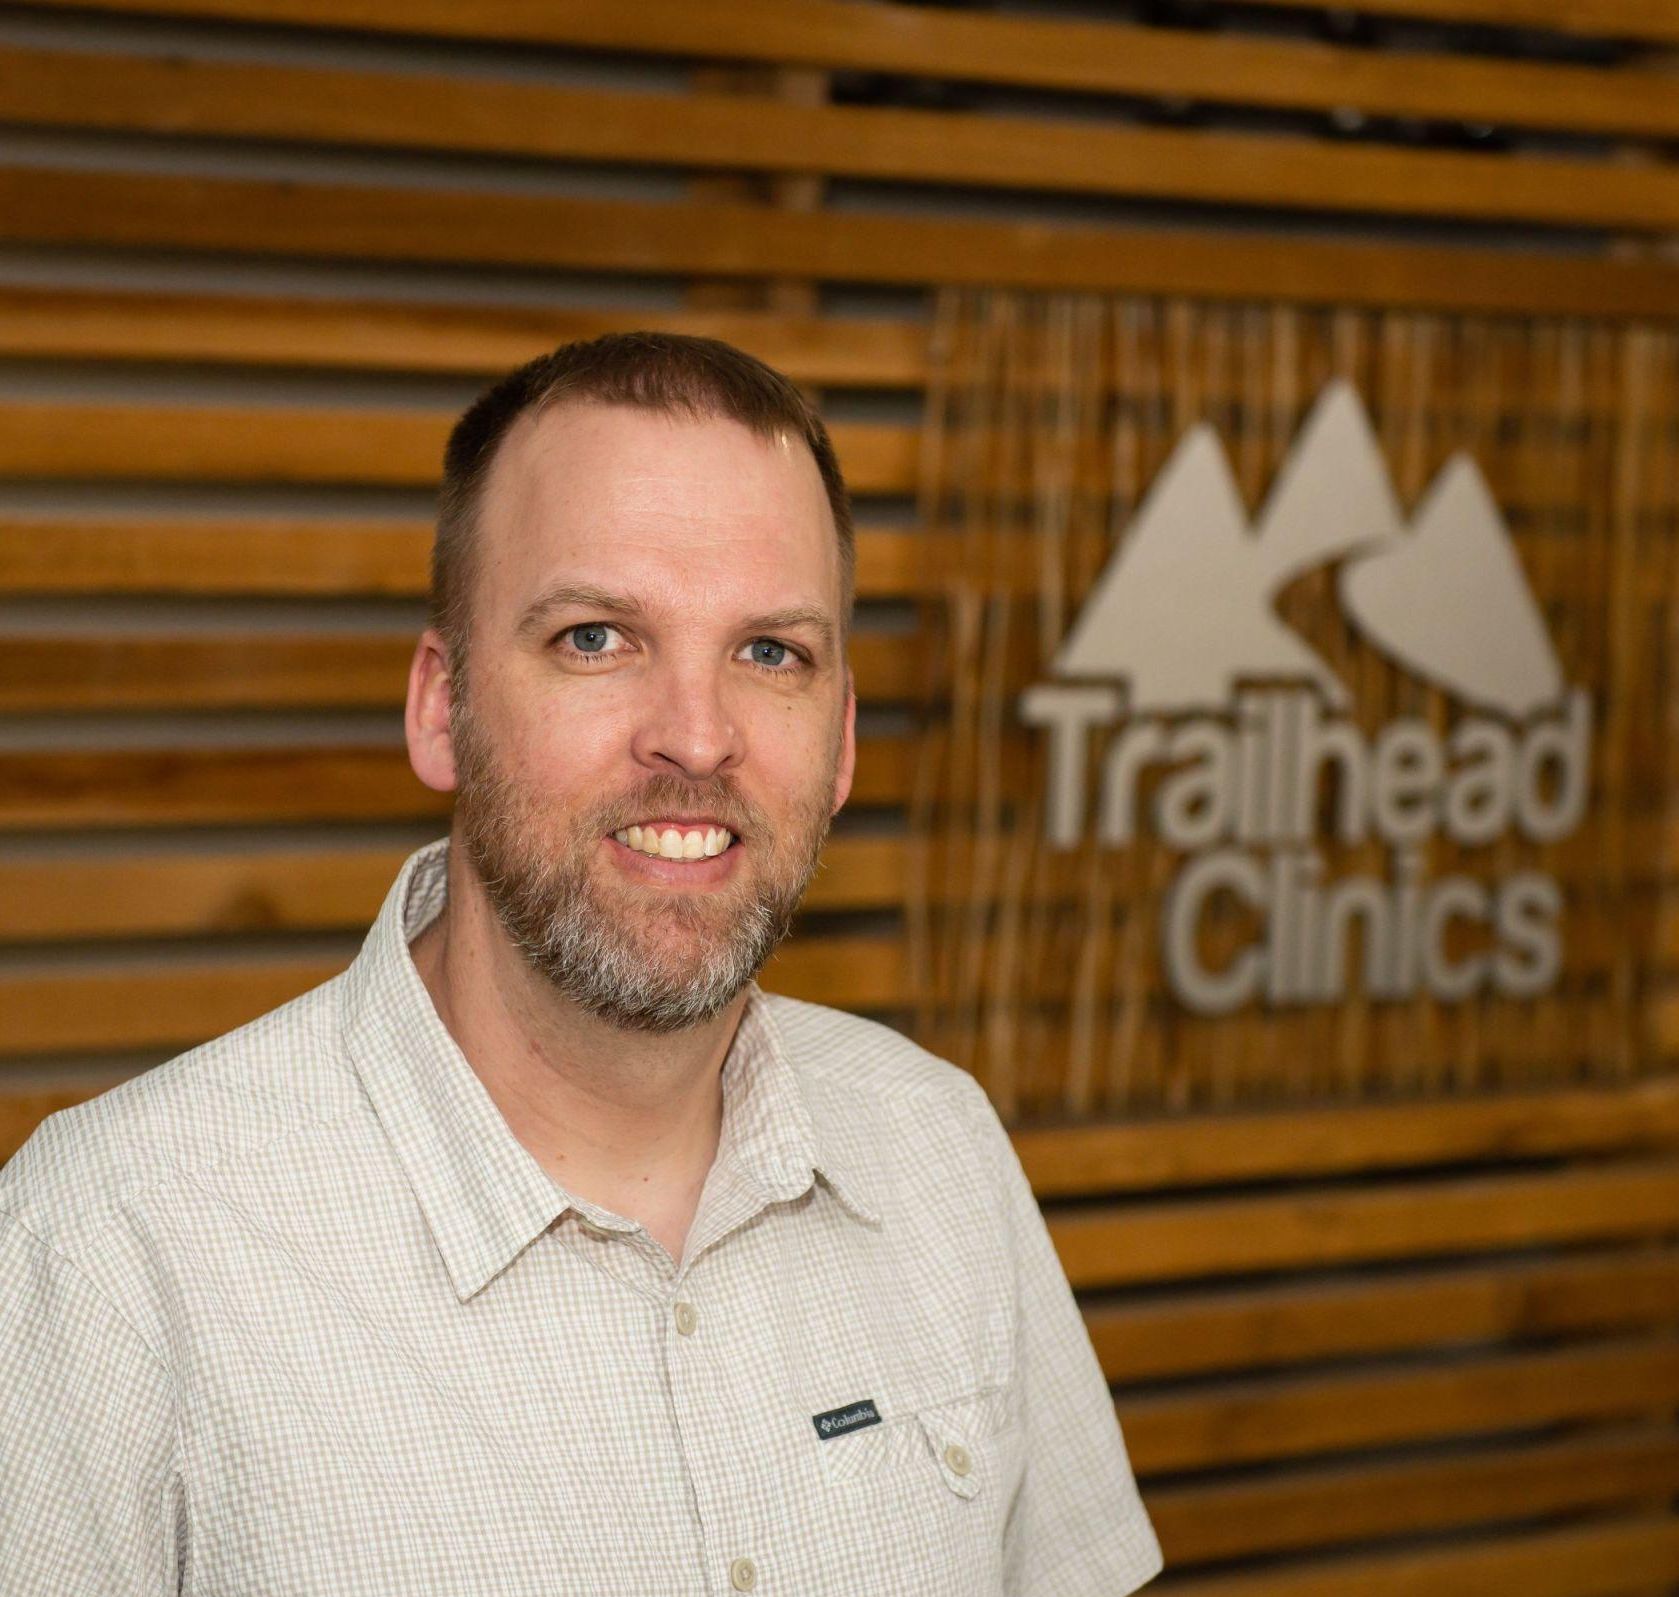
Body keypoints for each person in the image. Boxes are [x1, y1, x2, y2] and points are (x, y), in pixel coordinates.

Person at [0, 334, 1162, 1595]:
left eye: (769, 652)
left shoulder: (938, 1147)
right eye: (597, 638)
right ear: (441, 707)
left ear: (840, 742)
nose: (695, 736)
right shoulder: (116, 1249)